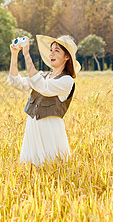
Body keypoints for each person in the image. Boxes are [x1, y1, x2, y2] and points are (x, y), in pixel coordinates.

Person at [7, 34, 81, 167]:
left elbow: (43, 87)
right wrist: (14, 55)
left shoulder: (67, 81)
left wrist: (27, 54)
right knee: (30, 168)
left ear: (67, 57)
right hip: (32, 129)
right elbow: (16, 83)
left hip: (50, 131)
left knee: (53, 168)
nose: (51, 53)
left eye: (56, 51)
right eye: (51, 50)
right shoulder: (42, 75)